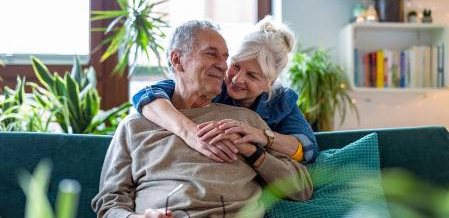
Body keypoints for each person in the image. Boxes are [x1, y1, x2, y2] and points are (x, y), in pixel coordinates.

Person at [92, 20, 313, 218]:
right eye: (211, 54)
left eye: (225, 57)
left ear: (269, 84)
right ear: (177, 60)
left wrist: (254, 151)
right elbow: (109, 203)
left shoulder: (247, 121)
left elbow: (303, 182)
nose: (225, 67)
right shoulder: (135, 126)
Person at [132, 16, 319, 165]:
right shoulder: (213, 84)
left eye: (252, 76)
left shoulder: (282, 101)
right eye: (236, 66)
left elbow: (307, 149)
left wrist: (262, 136)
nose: (237, 79)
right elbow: (146, 95)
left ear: (270, 82)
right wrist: (189, 132)